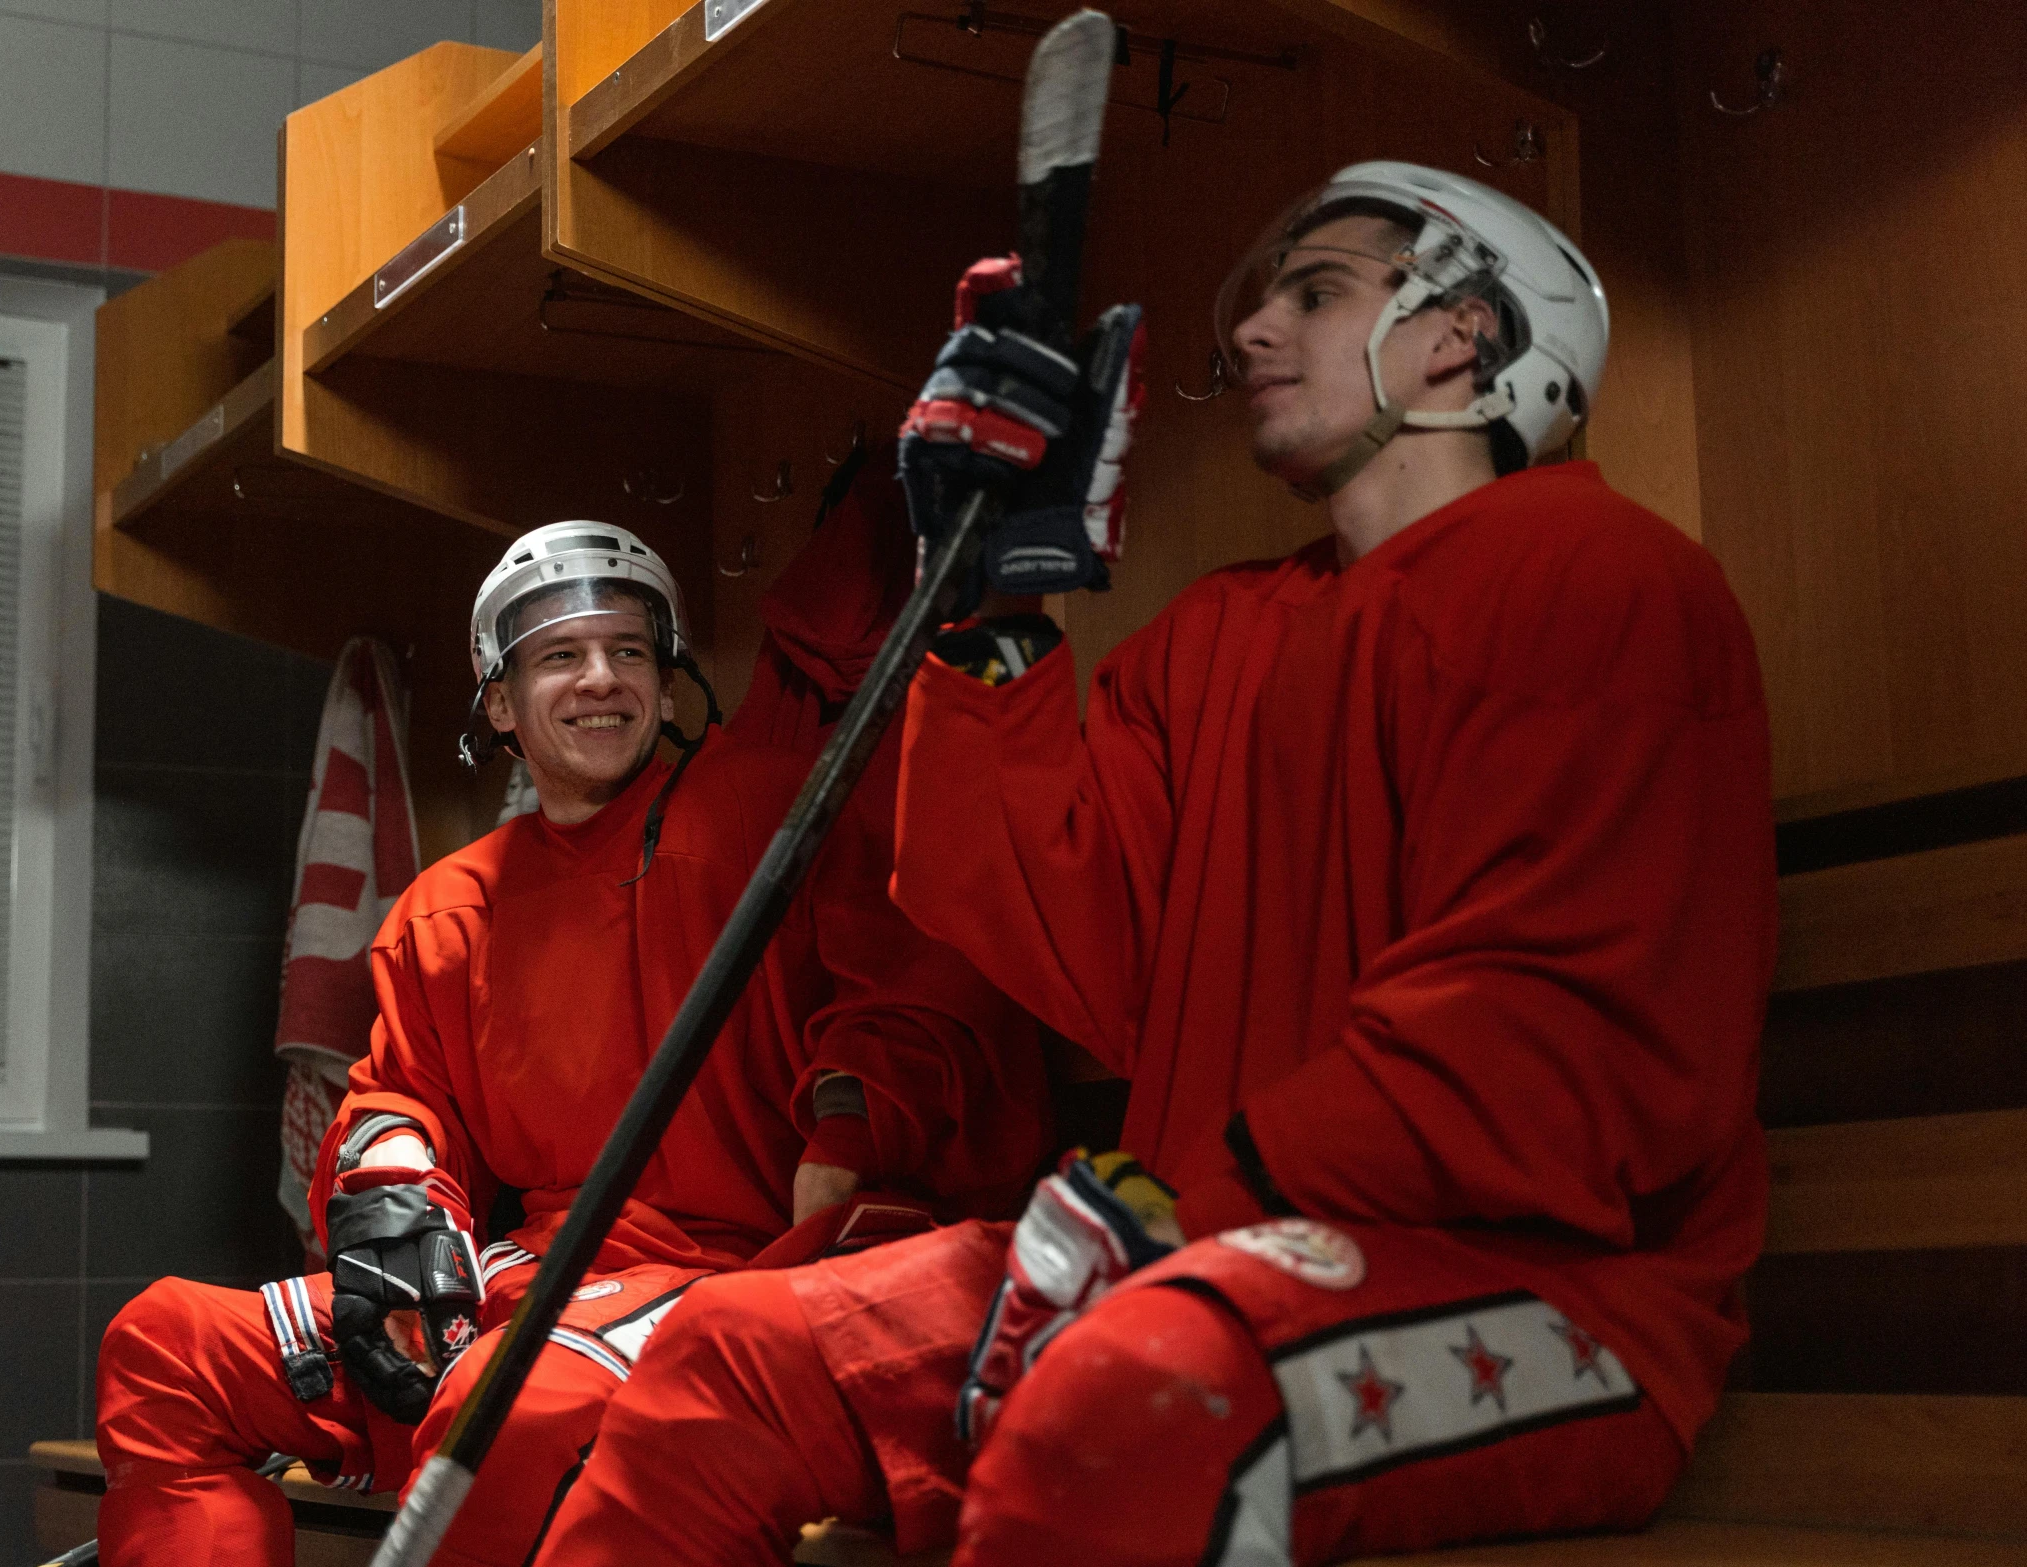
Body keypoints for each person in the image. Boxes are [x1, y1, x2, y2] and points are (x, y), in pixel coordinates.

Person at [535, 161, 1776, 1566]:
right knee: (731, 1358)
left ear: (1463, 336)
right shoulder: (1224, 631)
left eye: (1314, 293)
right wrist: (989, 596)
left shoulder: (1598, 576)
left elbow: (1548, 1038)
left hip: (1548, 1290)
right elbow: (1066, 930)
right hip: (1199, 1246)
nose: (1247, 332)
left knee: (1127, 1406)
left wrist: (1186, 1214)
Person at [92, 520, 1050, 1567]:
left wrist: (849, 1120)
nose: (601, 679)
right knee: (167, 1343)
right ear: (498, 704)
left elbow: (917, 982)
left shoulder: (778, 812)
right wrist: (393, 1204)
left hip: (727, 1279)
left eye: (629, 651)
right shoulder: (444, 909)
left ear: (670, 681)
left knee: (505, 1398)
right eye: (560, 656)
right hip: (519, 1278)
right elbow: (400, 1100)